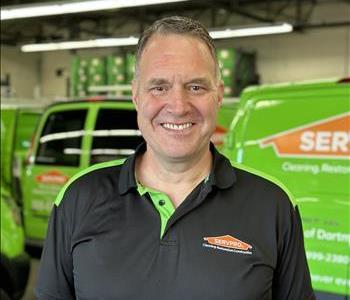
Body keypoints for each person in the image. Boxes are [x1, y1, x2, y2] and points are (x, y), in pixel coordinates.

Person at [35, 16, 315, 299]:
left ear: (218, 96)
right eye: (159, 87)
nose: (178, 106)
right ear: (135, 96)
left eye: (196, 87)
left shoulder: (272, 205)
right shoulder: (79, 197)